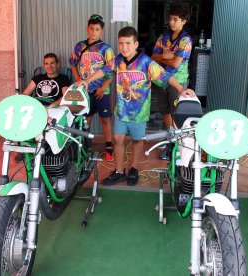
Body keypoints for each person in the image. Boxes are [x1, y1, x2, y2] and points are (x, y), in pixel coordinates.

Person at [78, 26, 195, 186]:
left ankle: (133, 169)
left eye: (128, 43)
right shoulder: (117, 61)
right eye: (121, 43)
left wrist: (181, 89)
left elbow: (165, 76)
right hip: (122, 111)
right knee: (118, 139)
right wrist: (87, 80)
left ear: (135, 44)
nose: (124, 47)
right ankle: (119, 171)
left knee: (137, 141)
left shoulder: (146, 62)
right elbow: (103, 71)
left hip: (139, 113)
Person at [69, 14, 115, 161]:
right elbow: (72, 63)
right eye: (91, 28)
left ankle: (109, 146)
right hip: (85, 91)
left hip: (102, 91)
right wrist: (77, 78)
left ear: (101, 31)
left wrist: (103, 87)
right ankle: (85, 145)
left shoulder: (106, 49)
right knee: (85, 119)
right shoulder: (80, 46)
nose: (94, 32)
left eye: (97, 29)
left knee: (105, 120)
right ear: (87, 28)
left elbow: (112, 70)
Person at [151, 1, 192, 159]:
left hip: (178, 82)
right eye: (171, 19)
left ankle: (178, 146)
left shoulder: (185, 40)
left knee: (177, 114)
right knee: (165, 112)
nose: (172, 22)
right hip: (161, 81)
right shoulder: (164, 37)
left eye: (176, 19)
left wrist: (164, 58)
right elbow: (153, 58)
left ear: (184, 21)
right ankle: (171, 142)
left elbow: (176, 63)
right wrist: (165, 56)